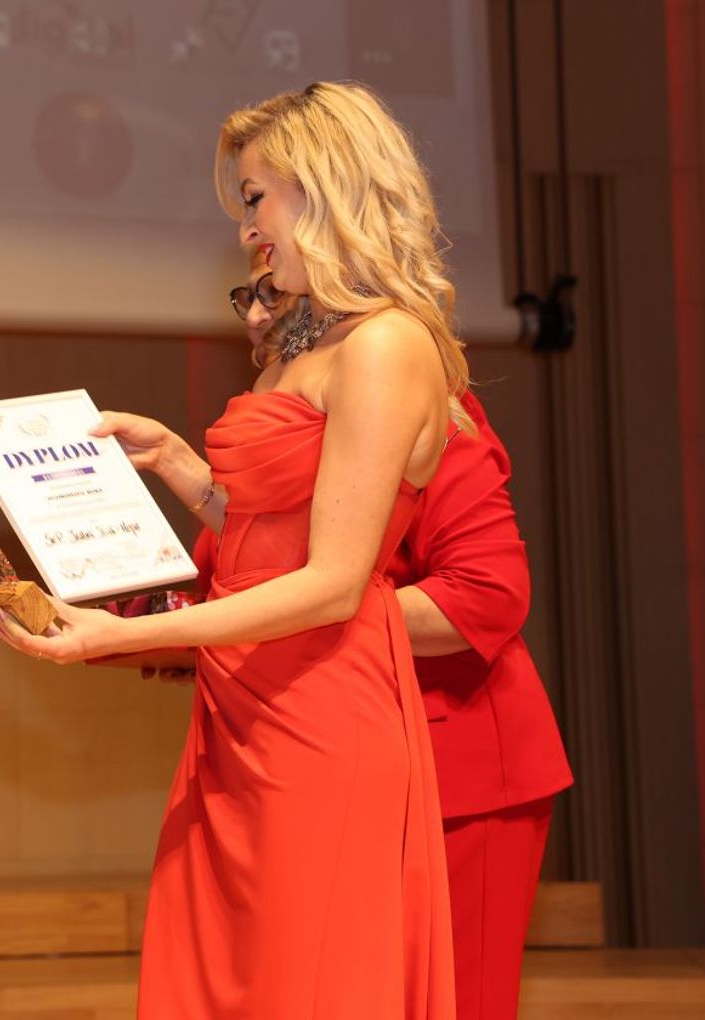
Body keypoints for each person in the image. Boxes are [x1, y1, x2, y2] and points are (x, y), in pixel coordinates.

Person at [0, 82, 460, 1016]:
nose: (245, 228)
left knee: (305, 985)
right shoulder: (303, 342)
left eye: (255, 198)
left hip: (320, 714)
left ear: (324, 185)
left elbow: (332, 584)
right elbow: (266, 536)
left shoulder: (386, 346)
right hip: (239, 708)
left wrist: (121, 636)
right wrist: (177, 463)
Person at [237, 253, 574, 1019]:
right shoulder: (295, 433)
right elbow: (253, 583)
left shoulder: (422, 406)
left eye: (271, 293)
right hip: (336, 764)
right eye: (245, 296)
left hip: (460, 770)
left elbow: (485, 594)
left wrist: (301, 617)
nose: (256, 316)